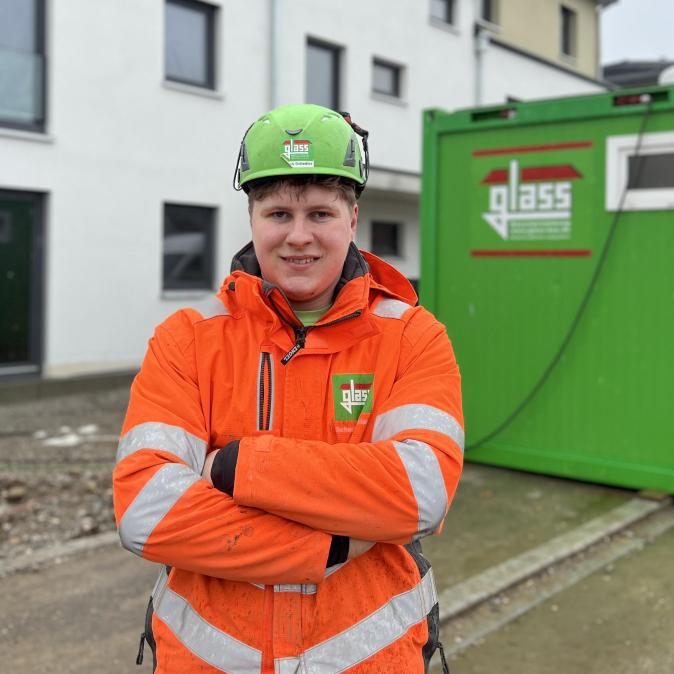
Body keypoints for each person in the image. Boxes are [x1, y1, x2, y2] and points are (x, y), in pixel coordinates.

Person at [114, 103, 463, 673]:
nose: (298, 236)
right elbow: (147, 512)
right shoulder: (187, 339)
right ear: (252, 218)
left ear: (353, 219)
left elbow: (419, 493)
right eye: (278, 213)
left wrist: (238, 467)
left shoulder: (412, 338)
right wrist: (331, 545)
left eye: (320, 213)